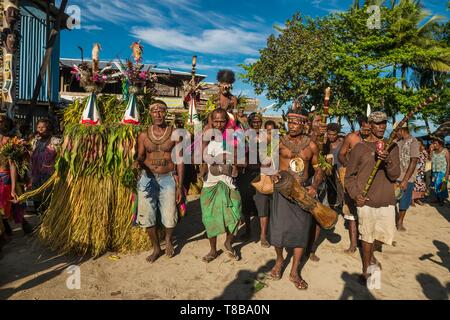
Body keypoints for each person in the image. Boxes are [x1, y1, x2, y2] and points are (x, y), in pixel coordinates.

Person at [269, 108, 323, 290]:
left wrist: (314, 186)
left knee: (300, 232)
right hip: (282, 192)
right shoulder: (279, 142)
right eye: (289, 122)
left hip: (302, 193)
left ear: (304, 124)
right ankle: (279, 260)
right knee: (277, 230)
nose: (291, 126)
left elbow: (319, 168)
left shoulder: (312, 146)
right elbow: (269, 163)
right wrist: (273, 175)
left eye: (295, 123)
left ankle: (294, 271)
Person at [345, 111, 400, 283]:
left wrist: (388, 160)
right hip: (365, 200)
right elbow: (349, 177)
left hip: (385, 200)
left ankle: (371, 258)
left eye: (384, 123)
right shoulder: (359, 148)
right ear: (369, 125)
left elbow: (394, 175)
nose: (381, 126)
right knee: (367, 236)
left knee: (379, 237)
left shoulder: (392, 147)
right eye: (377, 123)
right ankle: (366, 269)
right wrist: (356, 195)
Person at [133, 101, 184, 263]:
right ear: (150, 113)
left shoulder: (175, 133)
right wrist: (137, 162)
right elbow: (141, 155)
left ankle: (168, 240)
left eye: (161, 111)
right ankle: (156, 248)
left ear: (166, 113)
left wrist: (179, 186)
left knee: (170, 214)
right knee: (147, 215)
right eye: (154, 111)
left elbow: (180, 160)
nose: (158, 114)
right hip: (147, 178)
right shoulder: (143, 135)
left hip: (167, 178)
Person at [200, 108, 242, 263]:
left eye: (222, 121)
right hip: (210, 182)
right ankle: (212, 250)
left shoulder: (234, 136)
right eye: (215, 120)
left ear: (227, 121)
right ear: (211, 120)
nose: (218, 124)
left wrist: (234, 162)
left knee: (236, 214)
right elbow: (200, 155)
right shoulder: (207, 135)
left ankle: (228, 242)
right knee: (210, 217)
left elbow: (242, 159)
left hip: (229, 181)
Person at [338, 115, 371, 254]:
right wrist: (348, 166)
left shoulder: (378, 141)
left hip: (370, 181)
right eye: (364, 125)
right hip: (352, 181)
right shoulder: (352, 138)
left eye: (369, 125)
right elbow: (341, 154)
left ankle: (367, 245)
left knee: (368, 214)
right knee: (351, 214)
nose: (367, 128)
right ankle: (353, 244)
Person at [237, 112, 263, 238]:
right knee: (246, 201)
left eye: (259, 121)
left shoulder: (266, 137)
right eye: (254, 121)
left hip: (262, 173)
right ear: (250, 123)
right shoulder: (245, 137)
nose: (257, 123)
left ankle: (263, 233)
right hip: (246, 173)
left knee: (262, 202)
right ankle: (248, 229)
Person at [253, 120, 278, 247]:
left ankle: (273, 234)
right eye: (267, 131)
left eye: (272, 131)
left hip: (277, 181)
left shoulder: (280, 144)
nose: (270, 133)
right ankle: (263, 235)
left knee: (275, 210)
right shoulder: (259, 144)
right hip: (263, 179)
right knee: (263, 210)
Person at [30, 118, 61, 213]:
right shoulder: (35, 141)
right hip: (36, 177)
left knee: (48, 203)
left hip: (49, 178)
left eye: (43, 127)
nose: (40, 129)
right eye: (38, 127)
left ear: (49, 128)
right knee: (37, 204)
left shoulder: (55, 141)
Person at [394, 122, 419, 232]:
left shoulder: (413, 141)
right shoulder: (397, 141)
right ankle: (395, 220)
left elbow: (413, 161)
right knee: (393, 200)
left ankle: (400, 222)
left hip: (407, 178)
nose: (396, 133)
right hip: (395, 176)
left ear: (401, 130)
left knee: (403, 202)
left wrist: (405, 180)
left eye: (397, 131)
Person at [430, 137, 449, 206]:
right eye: (434, 143)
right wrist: (431, 150)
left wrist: (446, 174)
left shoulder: (445, 151)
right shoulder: (434, 152)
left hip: (442, 172)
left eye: (435, 143)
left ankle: (442, 200)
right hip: (435, 171)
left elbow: (448, 163)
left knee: (441, 186)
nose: (434, 145)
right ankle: (438, 199)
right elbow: (430, 158)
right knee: (436, 186)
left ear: (440, 144)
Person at [412, 139, 428, 206]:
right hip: (414, 171)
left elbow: (427, 159)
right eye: (416, 144)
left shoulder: (424, 152)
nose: (418, 145)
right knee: (414, 185)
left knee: (421, 185)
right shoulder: (413, 152)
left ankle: (417, 199)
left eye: (419, 144)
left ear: (422, 144)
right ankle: (412, 200)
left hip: (421, 172)